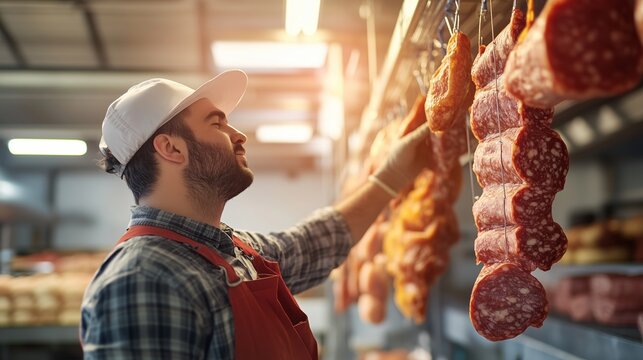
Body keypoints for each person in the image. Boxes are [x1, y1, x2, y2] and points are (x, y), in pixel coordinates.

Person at [81, 69, 430, 359]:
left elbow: (311, 244)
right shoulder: (142, 279)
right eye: (217, 124)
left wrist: (391, 178)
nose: (239, 135)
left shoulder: (231, 249)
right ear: (171, 148)